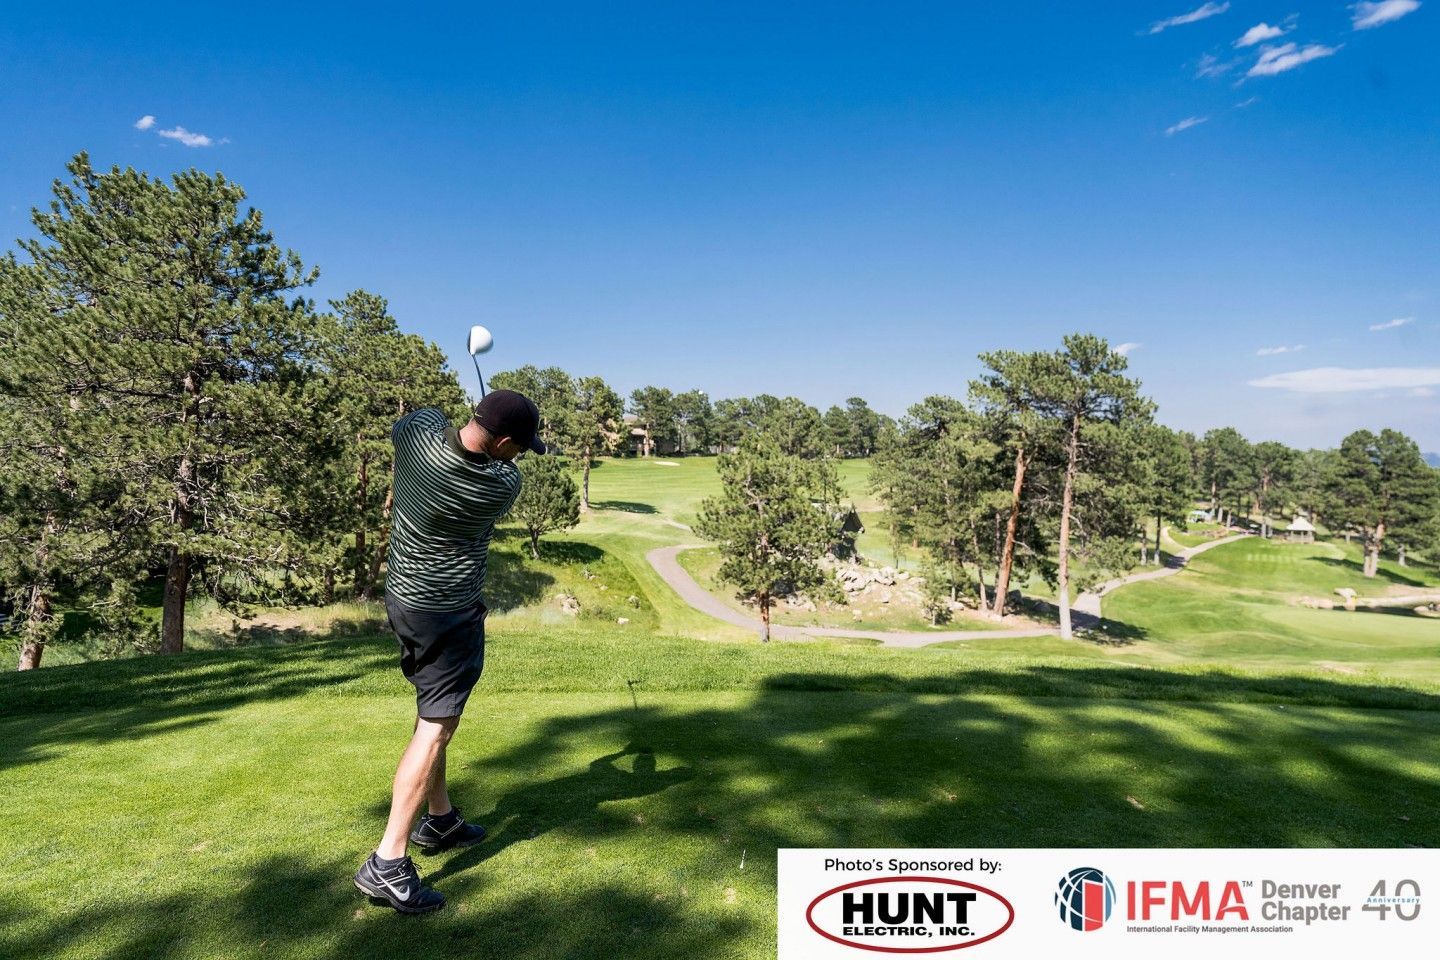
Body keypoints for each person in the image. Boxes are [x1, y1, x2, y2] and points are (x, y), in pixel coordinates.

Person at [353, 389, 545, 914]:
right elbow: (486, 457)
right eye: (521, 446)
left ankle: (439, 819)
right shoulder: (502, 483)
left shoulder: (419, 440)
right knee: (437, 726)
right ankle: (388, 860)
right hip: (450, 614)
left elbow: (417, 423)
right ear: (503, 442)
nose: (522, 456)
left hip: (403, 601)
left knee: (434, 713)